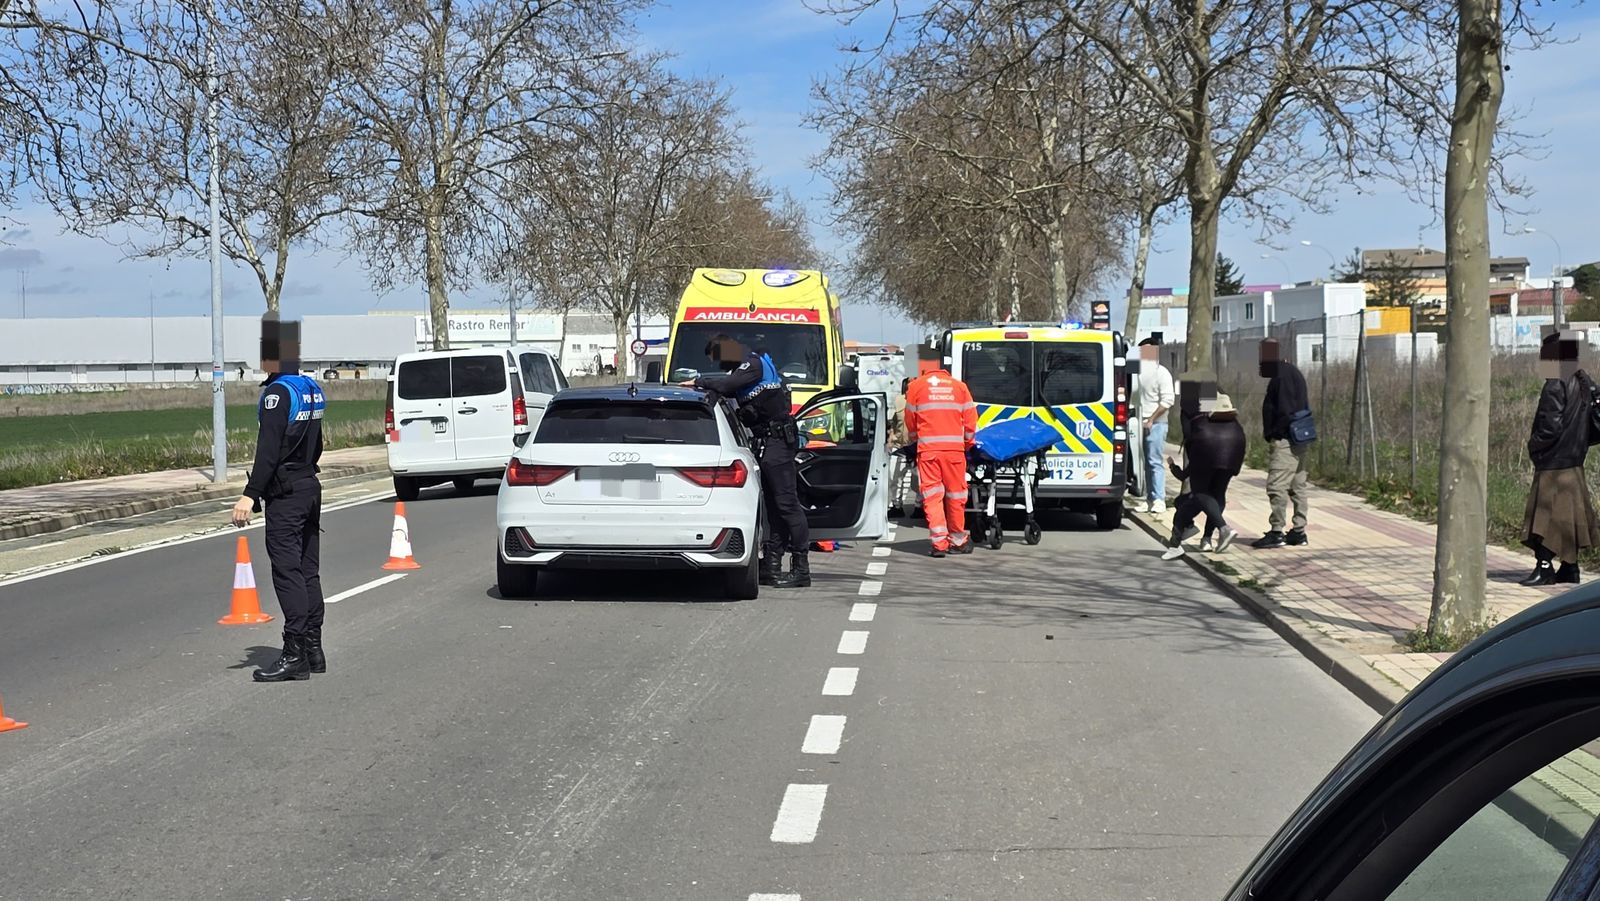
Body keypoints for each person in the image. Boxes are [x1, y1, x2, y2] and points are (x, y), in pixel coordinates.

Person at [230, 314, 327, 682]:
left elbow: (268, 451)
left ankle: (294, 653)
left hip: (285, 493)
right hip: (309, 486)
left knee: (288, 574)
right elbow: (316, 444)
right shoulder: (310, 388)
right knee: (308, 571)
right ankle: (314, 649)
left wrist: (250, 495)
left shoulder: (276, 394)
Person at [681, 336, 810, 588]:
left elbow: (728, 385)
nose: (718, 364)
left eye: (717, 358)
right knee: (773, 508)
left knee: (787, 505)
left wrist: (697, 382)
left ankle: (801, 568)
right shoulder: (752, 365)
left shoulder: (753, 364)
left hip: (778, 442)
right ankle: (771, 566)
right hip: (769, 442)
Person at [1520, 329, 1599, 586]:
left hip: (1553, 462)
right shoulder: (1585, 381)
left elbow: (1549, 426)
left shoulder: (1555, 382)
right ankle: (1570, 568)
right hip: (1574, 461)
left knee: (1545, 517)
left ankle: (1544, 568)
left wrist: (1535, 447)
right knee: (1569, 517)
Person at [905, 347, 977, 556]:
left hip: (928, 452)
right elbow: (971, 421)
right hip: (954, 452)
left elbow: (910, 420)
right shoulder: (959, 387)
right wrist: (967, 444)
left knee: (932, 496)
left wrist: (914, 440)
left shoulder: (915, 387)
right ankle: (957, 540)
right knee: (956, 496)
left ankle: (939, 544)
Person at [1162, 391, 1245, 560]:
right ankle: (1207, 539)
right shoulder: (1233, 422)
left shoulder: (1198, 418)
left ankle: (1223, 529)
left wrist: (1178, 470)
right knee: (1217, 494)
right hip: (1235, 450)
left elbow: (1190, 443)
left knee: (1199, 493)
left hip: (1206, 449)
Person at [1253, 338, 1312, 548]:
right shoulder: (1291, 371)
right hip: (1299, 438)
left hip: (1286, 439)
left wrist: (1274, 434)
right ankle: (1298, 531)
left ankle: (1277, 530)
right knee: (1298, 486)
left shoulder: (1282, 375)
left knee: (1276, 485)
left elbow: (1286, 410)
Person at [1135, 336, 1176, 514]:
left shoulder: (1162, 373)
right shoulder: (1135, 372)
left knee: (1154, 461)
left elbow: (1168, 400)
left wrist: (1151, 419)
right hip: (1137, 422)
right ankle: (1148, 498)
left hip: (1156, 424)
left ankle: (1159, 498)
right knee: (1142, 462)